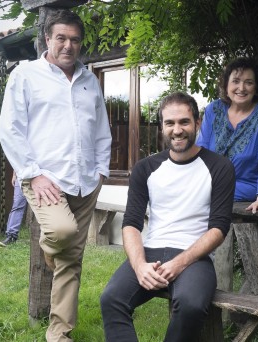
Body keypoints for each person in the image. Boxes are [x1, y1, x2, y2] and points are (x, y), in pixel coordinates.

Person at [0, 9, 112, 342]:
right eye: (61, 38)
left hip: (86, 180)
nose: (68, 45)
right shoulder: (26, 76)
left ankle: (59, 333)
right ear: (47, 39)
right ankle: (50, 247)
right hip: (44, 179)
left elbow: (101, 129)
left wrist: (102, 170)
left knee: (71, 262)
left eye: (75, 40)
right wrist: (32, 173)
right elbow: (11, 129)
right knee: (61, 234)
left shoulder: (90, 80)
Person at [100, 92, 236, 341]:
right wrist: (139, 266)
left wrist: (180, 263)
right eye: (169, 123)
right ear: (161, 126)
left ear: (197, 123)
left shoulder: (219, 167)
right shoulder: (146, 168)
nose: (177, 130)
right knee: (112, 299)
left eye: (184, 122)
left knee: (191, 304)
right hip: (151, 251)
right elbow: (131, 223)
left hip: (195, 257)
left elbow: (219, 228)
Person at [196, 57, 258, 213]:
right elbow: (200, 150)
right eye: (235, 81)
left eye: (248, 82)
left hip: (245, 188)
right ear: (226, 85)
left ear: (256, 87)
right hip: (208, 184)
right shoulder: (213, 109)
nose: (241, 88)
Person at [0, 172, 27, 247]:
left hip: (41, 175)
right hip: (22, 176)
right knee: (17, 206)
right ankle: (11, 236)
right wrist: (14, 174)